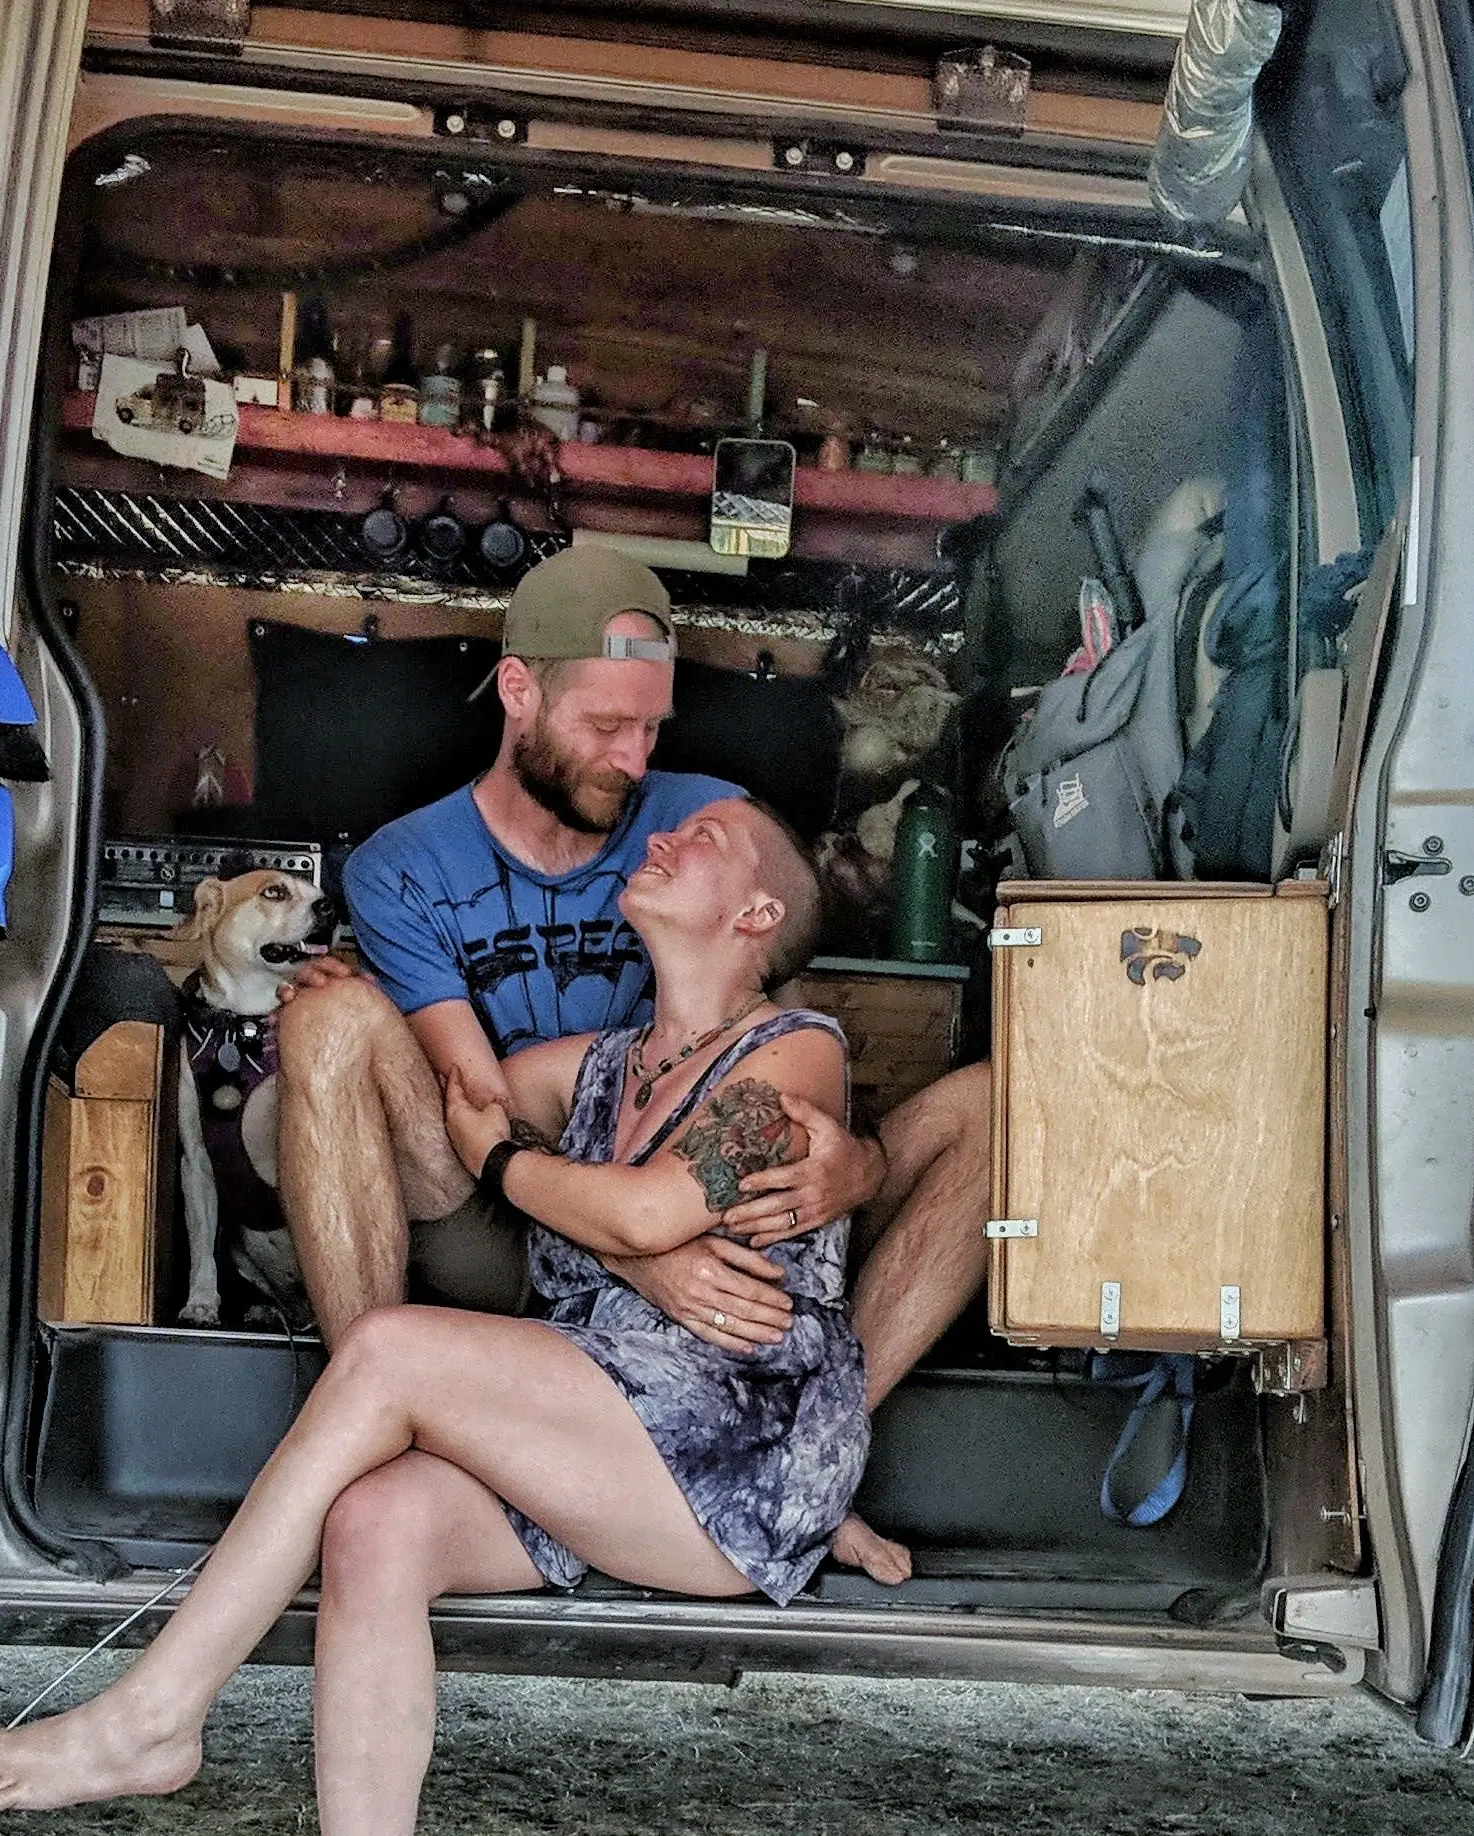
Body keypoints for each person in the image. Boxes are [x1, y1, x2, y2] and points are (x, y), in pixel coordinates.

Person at [0, 797, 866, 1831]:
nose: (662, 836)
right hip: (615, 1440)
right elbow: (448, 1112)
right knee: (373, 1524)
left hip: (739, 1460)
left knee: (389, 1351)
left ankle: (153, 1715)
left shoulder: (795, 1051)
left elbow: (651, 1211)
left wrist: (513, 1162)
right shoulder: (601, 1065)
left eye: (702, 840)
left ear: (755, 915)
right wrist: (346, 1008)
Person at [274, 544, 992, 1584]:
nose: (634, 761)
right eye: (606, 726)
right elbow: (481, 1106)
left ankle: (793, 1472)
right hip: (512, 1205)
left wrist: (860, 1166)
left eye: (650, 727)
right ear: (519, 691)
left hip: (696, 1203)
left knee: (988, 1109)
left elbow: (777, 1043)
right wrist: (631, 1247)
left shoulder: (708, 826)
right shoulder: (403, 865)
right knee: (326, 1025)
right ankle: (365, 1448)